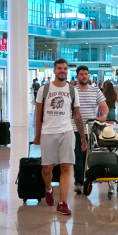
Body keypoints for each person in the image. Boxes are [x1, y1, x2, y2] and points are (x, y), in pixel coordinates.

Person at [34, 59, 86, 215]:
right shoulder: (44, 90)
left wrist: (82, 136)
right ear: (54, 71)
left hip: (67, 131)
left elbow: (76, 114)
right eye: (59, 68)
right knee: (47, 168)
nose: (62, 71)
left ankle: (62, 202)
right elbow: (39, 115)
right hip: (48, 132)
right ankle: (48, 189)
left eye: (65, 68)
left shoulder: (72, 90)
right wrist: (37, 135)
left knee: (65, 167)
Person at [72, 66, 109, 194]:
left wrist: (104, 115)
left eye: (86, 74)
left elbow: (104, 106)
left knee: (88, 156)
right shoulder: (73, 91)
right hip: (75, 129)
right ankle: (78, 181)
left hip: (91, 129)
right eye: (81, 74)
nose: (84, 76)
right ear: (77, 77)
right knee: (78, 155)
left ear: (88, 76)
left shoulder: (95, 90)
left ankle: (86, 179)